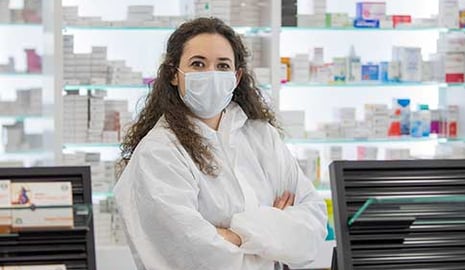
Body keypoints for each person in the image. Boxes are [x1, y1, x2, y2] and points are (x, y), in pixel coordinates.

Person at [113, 17, 327, 270]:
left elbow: (313, 223)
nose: (211, 74)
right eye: (198, 64)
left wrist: (235, 235)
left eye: (222, 65)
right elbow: (192, 254)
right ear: (173, 74)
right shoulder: (159, 152)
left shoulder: (261, 135)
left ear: (236, 77)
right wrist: (274, 233)